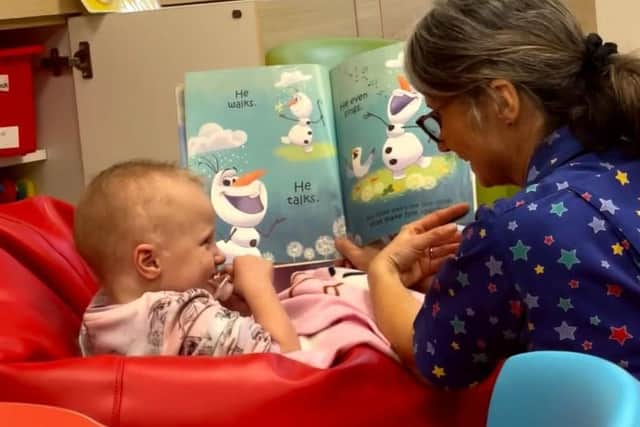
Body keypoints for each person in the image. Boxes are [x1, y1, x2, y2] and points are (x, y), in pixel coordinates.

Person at [336, 0, 640, 389]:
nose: (442, 142)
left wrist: (382, 273)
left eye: (438, 116)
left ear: (502, 100)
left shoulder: (514, 229)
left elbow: (432, 358)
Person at [74, 160, 300, 356]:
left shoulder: (96, 323)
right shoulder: (187, 317)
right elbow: (287, 360)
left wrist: (229, 306)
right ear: (150, 262)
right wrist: (259, 288)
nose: (219, 255)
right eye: (205, 242)